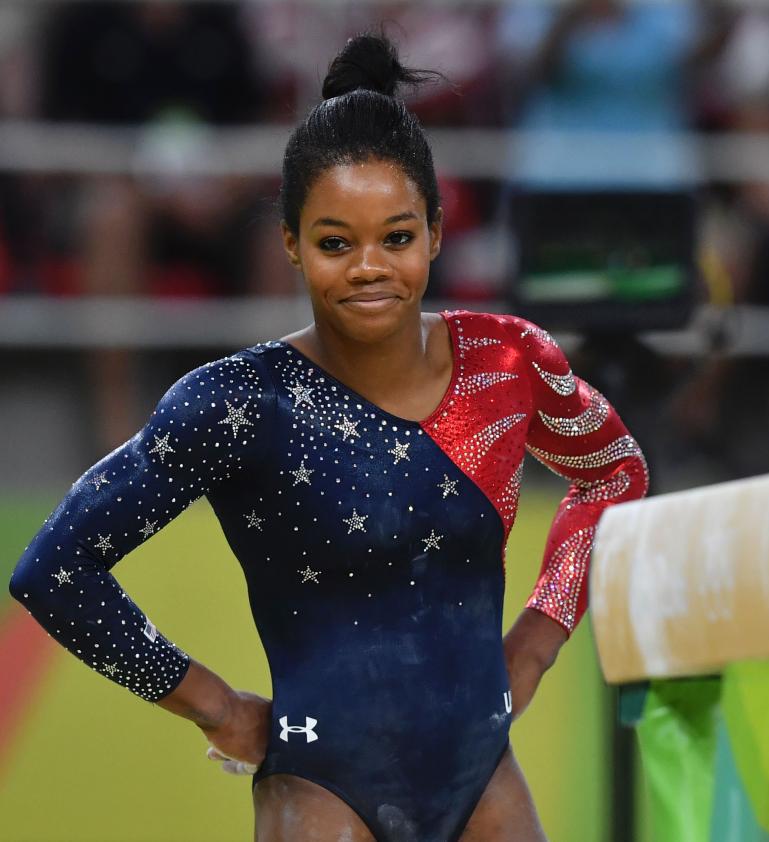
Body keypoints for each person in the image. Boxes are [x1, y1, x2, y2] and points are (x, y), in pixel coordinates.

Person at [8, 34, 649, 842]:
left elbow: (614, 473)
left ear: (438, 232)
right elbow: (54, 569)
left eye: (398, 237)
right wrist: (211, 704)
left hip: (484, 776)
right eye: (336, 242)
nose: (370, 267)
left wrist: (539, 637)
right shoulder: (239, 404)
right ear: (290, 243)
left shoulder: (506, 360)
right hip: (321, 789)